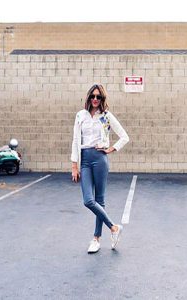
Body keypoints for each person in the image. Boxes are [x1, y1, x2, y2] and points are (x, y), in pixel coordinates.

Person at [71, 84, 129, 253]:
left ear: (102, 99)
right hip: (85, 161)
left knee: (100, 200)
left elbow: (124, 137)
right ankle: (114, 228)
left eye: (99, 97)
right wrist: (74, 165)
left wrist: (111, 149)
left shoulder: (106, 116)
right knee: (88, 200)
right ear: (88, 97)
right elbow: (75, 140)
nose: (95, 99)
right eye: (93, 96)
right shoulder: (80, 116)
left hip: (100, 159)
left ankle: (96, 239)